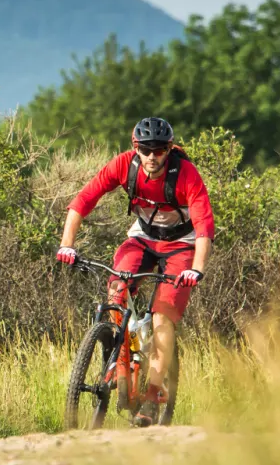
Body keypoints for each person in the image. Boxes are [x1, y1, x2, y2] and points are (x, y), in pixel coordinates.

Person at [56, 116, 214, 424]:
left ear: (169, 149)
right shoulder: (124, 165)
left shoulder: (185, 174)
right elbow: (83, 200)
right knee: (117, 288)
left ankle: (153, 395)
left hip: (182, 244)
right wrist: (67, 245)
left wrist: (196, 269)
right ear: (135, 147)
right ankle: (121, 356)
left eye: (159, 150)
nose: (152, 156)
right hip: (143, 238)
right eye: (146, 149)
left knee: (162, 317)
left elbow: (204, 225)